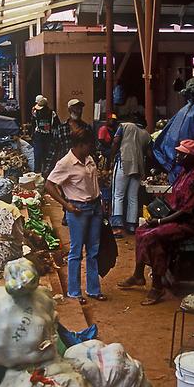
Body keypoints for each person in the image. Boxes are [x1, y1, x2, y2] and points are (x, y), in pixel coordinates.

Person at [118, 139, 194, 305]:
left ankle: (157, 286)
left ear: (191, 157)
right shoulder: (184, 172)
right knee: (141, 231)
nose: (177, 156)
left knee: (155, 236)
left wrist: (160, 220)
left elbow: (186, 211)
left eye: (181, 154)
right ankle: (138, 274)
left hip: (192, 223)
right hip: (177, 217)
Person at [45, 129, 107, 304]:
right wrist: (66, 205)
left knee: (93, 251)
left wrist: (100, 200)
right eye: (89, 145)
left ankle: (93, 289)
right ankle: (74, 291)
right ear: (80, 145)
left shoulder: (89, 159)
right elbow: (49, 185)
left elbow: (94, 183)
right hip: (78, 210)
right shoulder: (65, 163)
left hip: (94, 207)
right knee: (76, 251)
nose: (91, 148)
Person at [110, 115, 151, 236]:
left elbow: (116, 141)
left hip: (124, 162)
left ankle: (117, 226)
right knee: (133, 197)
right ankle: (131, 225)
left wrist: (111, 158)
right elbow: (149, 153)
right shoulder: (146, 134)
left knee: (118, 195)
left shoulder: (124, 126)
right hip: (139, 167)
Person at [44, 98, 92, 175]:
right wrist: (47, 170)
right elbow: (53, 150)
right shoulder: (61, 128)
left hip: (81, 167)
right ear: (70, 110)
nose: (79, 111)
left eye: (80, 109)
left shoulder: (86, 128)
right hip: (65, 167)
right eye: (76, 108)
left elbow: (92, 148)